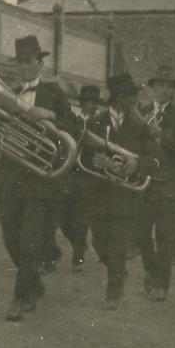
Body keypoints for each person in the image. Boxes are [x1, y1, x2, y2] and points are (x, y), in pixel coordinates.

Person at [0, 36, 79, 322]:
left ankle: (19, 297)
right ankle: (34, 285)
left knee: (28, 241)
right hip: (12, 175)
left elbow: (74, 126)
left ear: (40, 63)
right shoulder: (8, 92)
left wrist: (50, 115)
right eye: (20, 63)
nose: (25, 67)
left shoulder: (53, 93)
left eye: (30, 62)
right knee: (10, 237)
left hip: (40, 177)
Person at [88, 73, 153, 309]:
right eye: (130, 95)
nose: (134, 99)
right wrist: (94, 159)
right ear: (118, 98)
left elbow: (154, 160)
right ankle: (117, 269)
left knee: (117, 244)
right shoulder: (96, 122)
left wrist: (137, 164)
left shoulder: (140, 126)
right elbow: (83, 153)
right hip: (100, 193)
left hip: (126, 195)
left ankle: (114, 291)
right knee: (99, 244)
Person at [137, 67, 175, 301]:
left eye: (169, 86)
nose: (164, 90)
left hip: (169, 186)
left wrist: (161, 135)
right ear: (153, 88)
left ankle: (162, 285)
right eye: (160, 85)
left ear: (174, 91)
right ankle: (151, 269)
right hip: (144, 185)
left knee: (165, 237)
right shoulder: (142, 112)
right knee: (139, 234)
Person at [56, 84, 102, 273]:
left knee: (81, 218)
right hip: (69, 171)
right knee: (63, 216)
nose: (89, 105)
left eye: (92, 102)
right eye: (86, 102)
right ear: (82, 103)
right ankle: (79, 244)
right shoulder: (72, 120)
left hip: (88, 174)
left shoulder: (100, 124)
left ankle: (78, 257)